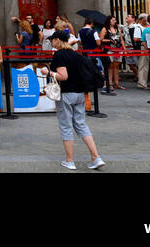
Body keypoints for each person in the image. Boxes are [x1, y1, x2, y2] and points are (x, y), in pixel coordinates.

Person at [41, 29, 105, 171]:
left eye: (52, 39)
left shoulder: (59, 55)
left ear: (57, 40)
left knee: (66, 126)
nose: (51, 42)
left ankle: (70, 160)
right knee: (81, 124)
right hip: (79, 94)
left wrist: (48, 72)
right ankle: (96, 157)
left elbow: (63, 76)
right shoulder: (75, 54)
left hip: (66, 94)